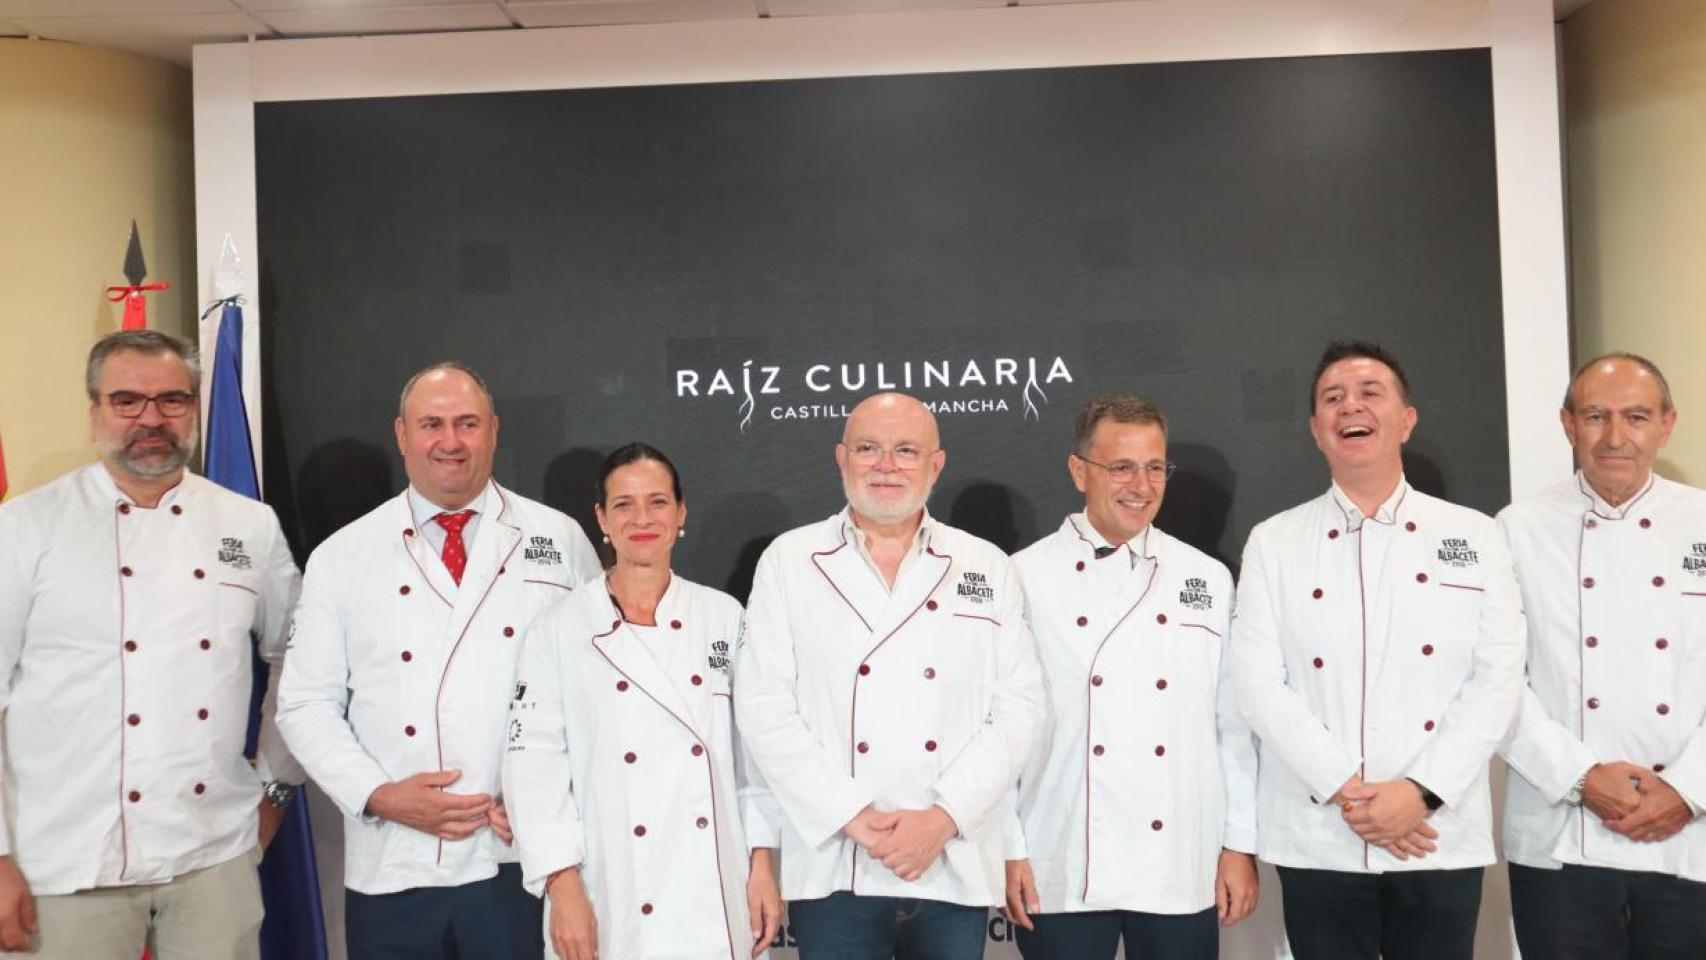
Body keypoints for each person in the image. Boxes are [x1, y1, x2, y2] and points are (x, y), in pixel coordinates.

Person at [276, 361, 600, 959]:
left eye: (467, 423)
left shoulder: (558, 538)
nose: (450, 441)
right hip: (394, 863)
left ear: (494, 431)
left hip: (521, 860)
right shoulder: (342, 556)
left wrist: (545, 800)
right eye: (432, 424)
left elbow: (600, 692)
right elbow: (303, 705)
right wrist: (379, 794)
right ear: (401, 435)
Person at [0, 330, 302, 959]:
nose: (151, 420)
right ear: (94, 414)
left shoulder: (248, 524)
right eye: (127, 402)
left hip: (213, 854)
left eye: (172, 400)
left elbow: (297, 660)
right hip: (63, 861)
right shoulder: (26, 527)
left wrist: (275, 784)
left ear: (193, 409)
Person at [1229, 340, 1526, 960]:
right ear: (1316, 430)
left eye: (1370, 393)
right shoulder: (1275, 541)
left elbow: (1498, 678)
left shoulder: (1474, 534)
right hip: (1320, 827)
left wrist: (1419, 792)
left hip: (1435, 830)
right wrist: (1346, 789)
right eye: (1332, 399)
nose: (1350, 408)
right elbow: (1256, 682)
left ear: (1406, 418)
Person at [735, 391, 1047, 960]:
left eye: (906, 450)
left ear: (937, 464)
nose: (886, 465)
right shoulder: (791, 560)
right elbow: (763, 707)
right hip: (836, 862)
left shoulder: (984, 564)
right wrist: (853, 818)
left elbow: (1019, 708)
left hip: (950, 859)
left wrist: (942, 818)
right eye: (868, 449)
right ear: (840, 457)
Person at [1004, 393, 1259, 959]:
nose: (1140, 486)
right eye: (1120, 467)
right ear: (1078, 471)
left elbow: (1233, 724)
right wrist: (1005, 846)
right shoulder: (1021, 576)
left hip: (1179, 861)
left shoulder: (1208, 578)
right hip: (1060, 856)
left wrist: (1239, 845)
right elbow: (999, 729)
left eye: (1154, 467)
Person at [503, 442, 783, 960]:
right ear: (601, 519)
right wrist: (561, 888)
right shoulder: (559, 628)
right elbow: (533, 769)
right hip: (608, 889)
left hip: (716, 891)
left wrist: (761, 864)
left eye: (657, 502)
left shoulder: (723, 616)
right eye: (624, 505)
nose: (642, 519)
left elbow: (755, 760)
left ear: (681, 512)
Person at [1498, 352, 1706, 959]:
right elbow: (1494, 681)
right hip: (1562, 835)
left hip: (1690, 831)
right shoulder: (1517, 529)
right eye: (1596, 416)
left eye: (1636, 416)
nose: (1616, 437)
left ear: (1667, 425)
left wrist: (1688, 789)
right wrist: (1582, 777)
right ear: (1567, 424)